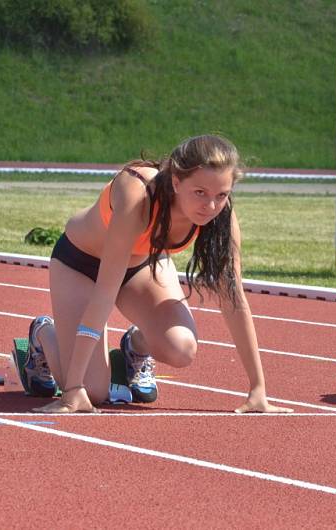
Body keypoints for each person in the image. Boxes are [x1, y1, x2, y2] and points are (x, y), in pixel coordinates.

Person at [26, 134, 293, 414]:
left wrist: (258, 389)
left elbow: (233, 297)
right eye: (200, 193)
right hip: (81, 264)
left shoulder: (221, 215)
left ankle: (135, 347)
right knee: (91, 390)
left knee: (181, 347)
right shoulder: (137, 195)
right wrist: (73, 388)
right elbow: (105, 291)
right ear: (176, 182)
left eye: (221, 195)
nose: (211, 206)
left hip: (142, 264)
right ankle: (43, 335)